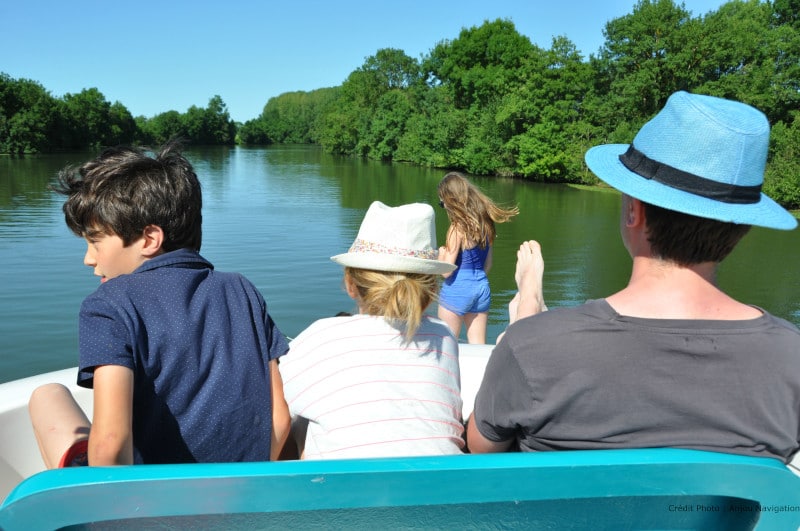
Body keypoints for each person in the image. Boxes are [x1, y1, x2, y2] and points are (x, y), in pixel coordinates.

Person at [467, 91, 800, 463]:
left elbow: (482, 450)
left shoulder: (531, 345)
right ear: (743, 228)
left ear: (633, 211)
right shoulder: (792, 358)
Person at [28, 142, 291, 468]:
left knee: (47, 395)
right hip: (241, 494)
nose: (88, 259)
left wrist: (115, 517)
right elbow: (279, 419)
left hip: (146, 506)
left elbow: (111, 444)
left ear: (150, 239)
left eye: (95, 241)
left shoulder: (107, 304)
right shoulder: (242, 289)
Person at [279, 201, 464, 460]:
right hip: (439, 489)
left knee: (295, 421)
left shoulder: (321, 335)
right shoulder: (443, 337)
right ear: (430, 290)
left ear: (350, 283)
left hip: (341, 492)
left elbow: (275, 412)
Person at [437, 172, 518, 344]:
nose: (443, 206)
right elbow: (488, 265)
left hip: (457, 290)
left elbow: (446, 271)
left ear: (451, 199)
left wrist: (441, 254)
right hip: (481, 288)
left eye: (442, 202)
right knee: (478, 345)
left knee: (447, 345)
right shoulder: (486, 224)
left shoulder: (457, 227)